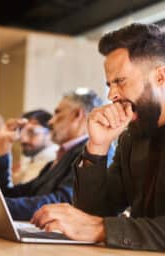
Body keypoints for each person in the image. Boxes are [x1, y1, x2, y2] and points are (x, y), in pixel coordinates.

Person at [31, 23, 165, 252]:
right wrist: (98, 146)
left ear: (161, 76)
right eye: (109, 84)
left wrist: (101, 228)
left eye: (120, 81)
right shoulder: (132, 139)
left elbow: (95, 224)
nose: (112, 95)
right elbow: (93, 214)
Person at [0, 89, 112, 220]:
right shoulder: (61, 158)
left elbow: (61, 202)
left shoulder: (91, 152)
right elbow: (12, 194)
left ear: (77, 115)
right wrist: (3, 146)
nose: (51, 121)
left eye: (58, 112)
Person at [13, 109, 58, 184]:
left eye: (32, 132)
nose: (23, 139)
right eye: (21, 131)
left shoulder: (56, 162)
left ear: (50, 133)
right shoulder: (30, 157)